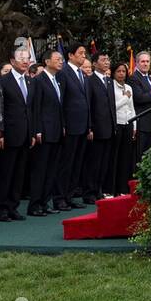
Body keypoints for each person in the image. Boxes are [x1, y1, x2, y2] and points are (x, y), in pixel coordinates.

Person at [0, 46, 32, 222]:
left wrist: (32, 132)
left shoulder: (30, 81)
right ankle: (1, 208)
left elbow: (30, 109)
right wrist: (0, 132)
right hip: (8, 134)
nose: (25, 61)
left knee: (19, 174)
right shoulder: (3, 80)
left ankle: (12, 207)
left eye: (27, 58)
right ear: (12, 61)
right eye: (21, 58)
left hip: (25, 134)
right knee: (6, 173)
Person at [27, 48, 65, 216]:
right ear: (47, 61)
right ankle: (34, 205)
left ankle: (44, 202)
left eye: (61, 59)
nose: (60, 61)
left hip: (56, 132)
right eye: (57, 59)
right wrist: (37, 130)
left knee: (51, 170)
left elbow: (58, 107)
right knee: (40, 170)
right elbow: (34, 107)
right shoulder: (39, 80)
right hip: (43, 132)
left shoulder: (57, 80)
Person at [54, 43, 91, 211]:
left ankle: (69, 195)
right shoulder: (63, 73)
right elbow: (60, 102)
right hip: (69, 126)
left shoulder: (82, 74)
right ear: (70, 55)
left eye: (85, 53)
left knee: (77, 163)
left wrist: (89, 125)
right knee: (66, 164)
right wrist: (62, 124)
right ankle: (59, 197)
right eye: (80, 53)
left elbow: (87, 102)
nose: (84, 56)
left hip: (83, 126)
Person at [83, 53, 117, 200]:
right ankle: (89, 192)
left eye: (108, 59)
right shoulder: (90, 81)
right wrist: (89, 126)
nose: (106, 62)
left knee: (104, 162)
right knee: (94, 162)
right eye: (103, 60)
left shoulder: (109, 81)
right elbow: (89, 105)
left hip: (109, 128)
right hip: (96, 128)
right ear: (94, 64)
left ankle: (99, 189)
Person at [111, 63, 136, 194]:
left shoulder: (129, 87)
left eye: (123, 71)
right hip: (117, 124)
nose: (121, 74)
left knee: (126, 157)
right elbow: (112, 107)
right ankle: (112, 188)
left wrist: (134, 125)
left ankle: (123, 187)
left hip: (128, 124)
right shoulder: (111, 86)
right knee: (116, 156)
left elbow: (132, 108)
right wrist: (125, 97)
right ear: (113, 73)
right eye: (118, 71)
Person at [130, 51, 151, 162]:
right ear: (137, 63)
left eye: (147, 61)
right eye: (142, 61)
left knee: (149, 156)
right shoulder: (134, 78)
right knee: (139, 156)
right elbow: (139, 98)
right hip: (141, 123)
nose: (145, 64)